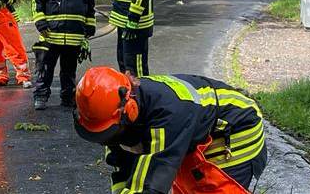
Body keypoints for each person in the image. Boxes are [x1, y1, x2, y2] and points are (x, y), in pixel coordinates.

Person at [73, 67, 268, 194]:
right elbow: (122, 166)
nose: (106, 140)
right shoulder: (118, 117)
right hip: (195, 132)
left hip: (235, 129)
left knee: (210, 189)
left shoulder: (166, 114)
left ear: (129, 110)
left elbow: (154, 181)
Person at [31, 0, 96, 110]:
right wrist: (41, 23)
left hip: (74, 38)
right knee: (44, 69)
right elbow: (36, 3)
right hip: (50, 35)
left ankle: (67, 98)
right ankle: (40, 97)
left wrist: (90, 28)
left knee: (69, 71)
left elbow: (90, 8)